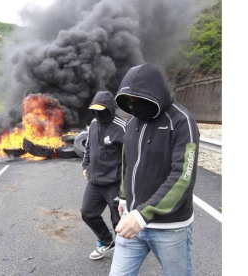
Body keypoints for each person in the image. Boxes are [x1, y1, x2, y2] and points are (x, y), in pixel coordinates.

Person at [109, 63, 200, 276]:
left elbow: (183, 177)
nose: (133, 105)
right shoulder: (132, 122)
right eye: (128, 100)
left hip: (171, 228)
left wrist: (143, 215)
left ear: (155, 93)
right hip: (131, 220)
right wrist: (123, 197)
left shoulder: (181, 121)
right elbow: (127, 162)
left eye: (137, 99)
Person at [81, 90, 126, 260]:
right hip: (95, 181)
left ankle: (125, 252)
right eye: (95, 109)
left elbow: (128, 159)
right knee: (87, 212)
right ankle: (106, 241)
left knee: (118, 221)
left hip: (114, 183)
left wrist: (125, 190)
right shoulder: (93, 124)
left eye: (102, 109)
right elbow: (88, 147)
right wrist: (86, 165)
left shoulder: (121, 127)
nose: (99, 113)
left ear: (110, 108)